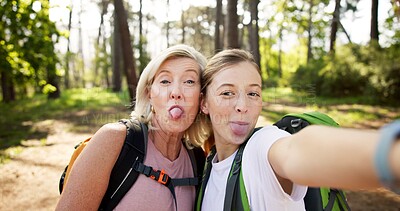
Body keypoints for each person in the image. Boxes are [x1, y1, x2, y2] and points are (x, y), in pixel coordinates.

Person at [197, 48, 400, 210]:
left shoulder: (261, 146)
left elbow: (297, 151)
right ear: (204, 102)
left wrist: (390, 156)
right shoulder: (206, 168)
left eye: (253, 93)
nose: (243, 105)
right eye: (227, 93)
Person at [56, 44, 210, 210]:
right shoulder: (114, 140)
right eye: (165, 81)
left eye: (189, 81)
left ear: (202, 99)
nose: (176, 92)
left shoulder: (198, 160)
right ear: (148, 93)